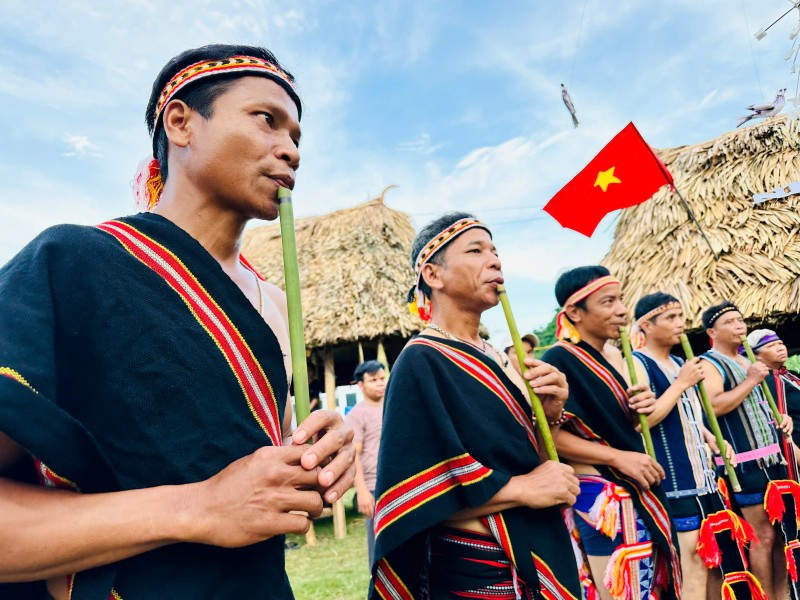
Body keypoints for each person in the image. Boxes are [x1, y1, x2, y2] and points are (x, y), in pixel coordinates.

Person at [0, 44, 355, 599]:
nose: (290, 150)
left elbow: (248, 465)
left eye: (297, 137)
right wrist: (200, 506)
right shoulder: (71, 265)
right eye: (267, 120)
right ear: (182, 122)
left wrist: (314, 455)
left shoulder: (274, 303)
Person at [370, 212, 581, 599]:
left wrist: (548, 416)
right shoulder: (422, 360)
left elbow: (523, 459)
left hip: (533, 551)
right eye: (476, 250)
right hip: (481, 571)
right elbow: (413, 499)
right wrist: (521, 489)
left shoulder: (499, 358)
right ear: (433, 276)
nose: (495, 260)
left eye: (495, 251)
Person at [541, 266, 680, 600]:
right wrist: (618, 456)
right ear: (574, 311)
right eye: (608, 302)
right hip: (602, 497)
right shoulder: (558, 360)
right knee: (619, 591)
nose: (621, 310)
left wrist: (638, 409)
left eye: (620, 300)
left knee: (648, 587)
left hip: (635, 483)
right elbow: (551, 438)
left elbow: (620, 426)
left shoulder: (617, 355)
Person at [629, 292, 732, 599]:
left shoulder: (678, 362)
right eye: (671, 317)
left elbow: (686, 416)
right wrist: (681, 383)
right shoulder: (635, 364)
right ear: (646, 325)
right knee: (692, 565)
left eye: (680, 316)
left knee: (715, 562)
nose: (681, 323)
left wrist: (711, 437)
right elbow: (641, 424)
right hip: (674, 482)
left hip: (703, 478)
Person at [700, 301, 793, 600]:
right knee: (761, 537)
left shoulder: (747, 360)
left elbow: (759, 405)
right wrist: (753, 380)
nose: (739, 325)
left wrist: (782, 418)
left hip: (773, 459)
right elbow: (713, 407)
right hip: (744, 464)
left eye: (741, 320)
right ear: (712, 331)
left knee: (779, 535)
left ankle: (782, 595)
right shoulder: (709, 363)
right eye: (730, 321)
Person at [345, 360, 386, 566]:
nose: (380, 383)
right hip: (372, 486)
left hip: (395, 481)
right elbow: (353, 455)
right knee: (378, 544)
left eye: (382, 379)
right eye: (373, 380)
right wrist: (361, 491)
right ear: (361, 385)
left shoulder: (393, 405)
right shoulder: (356, 415)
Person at [748, 328, 800, 450]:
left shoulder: (790, 375)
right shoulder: (766, 382)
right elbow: (777, 424)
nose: (780, 348)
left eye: (781, 343)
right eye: (771, 346)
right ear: (756, 356)